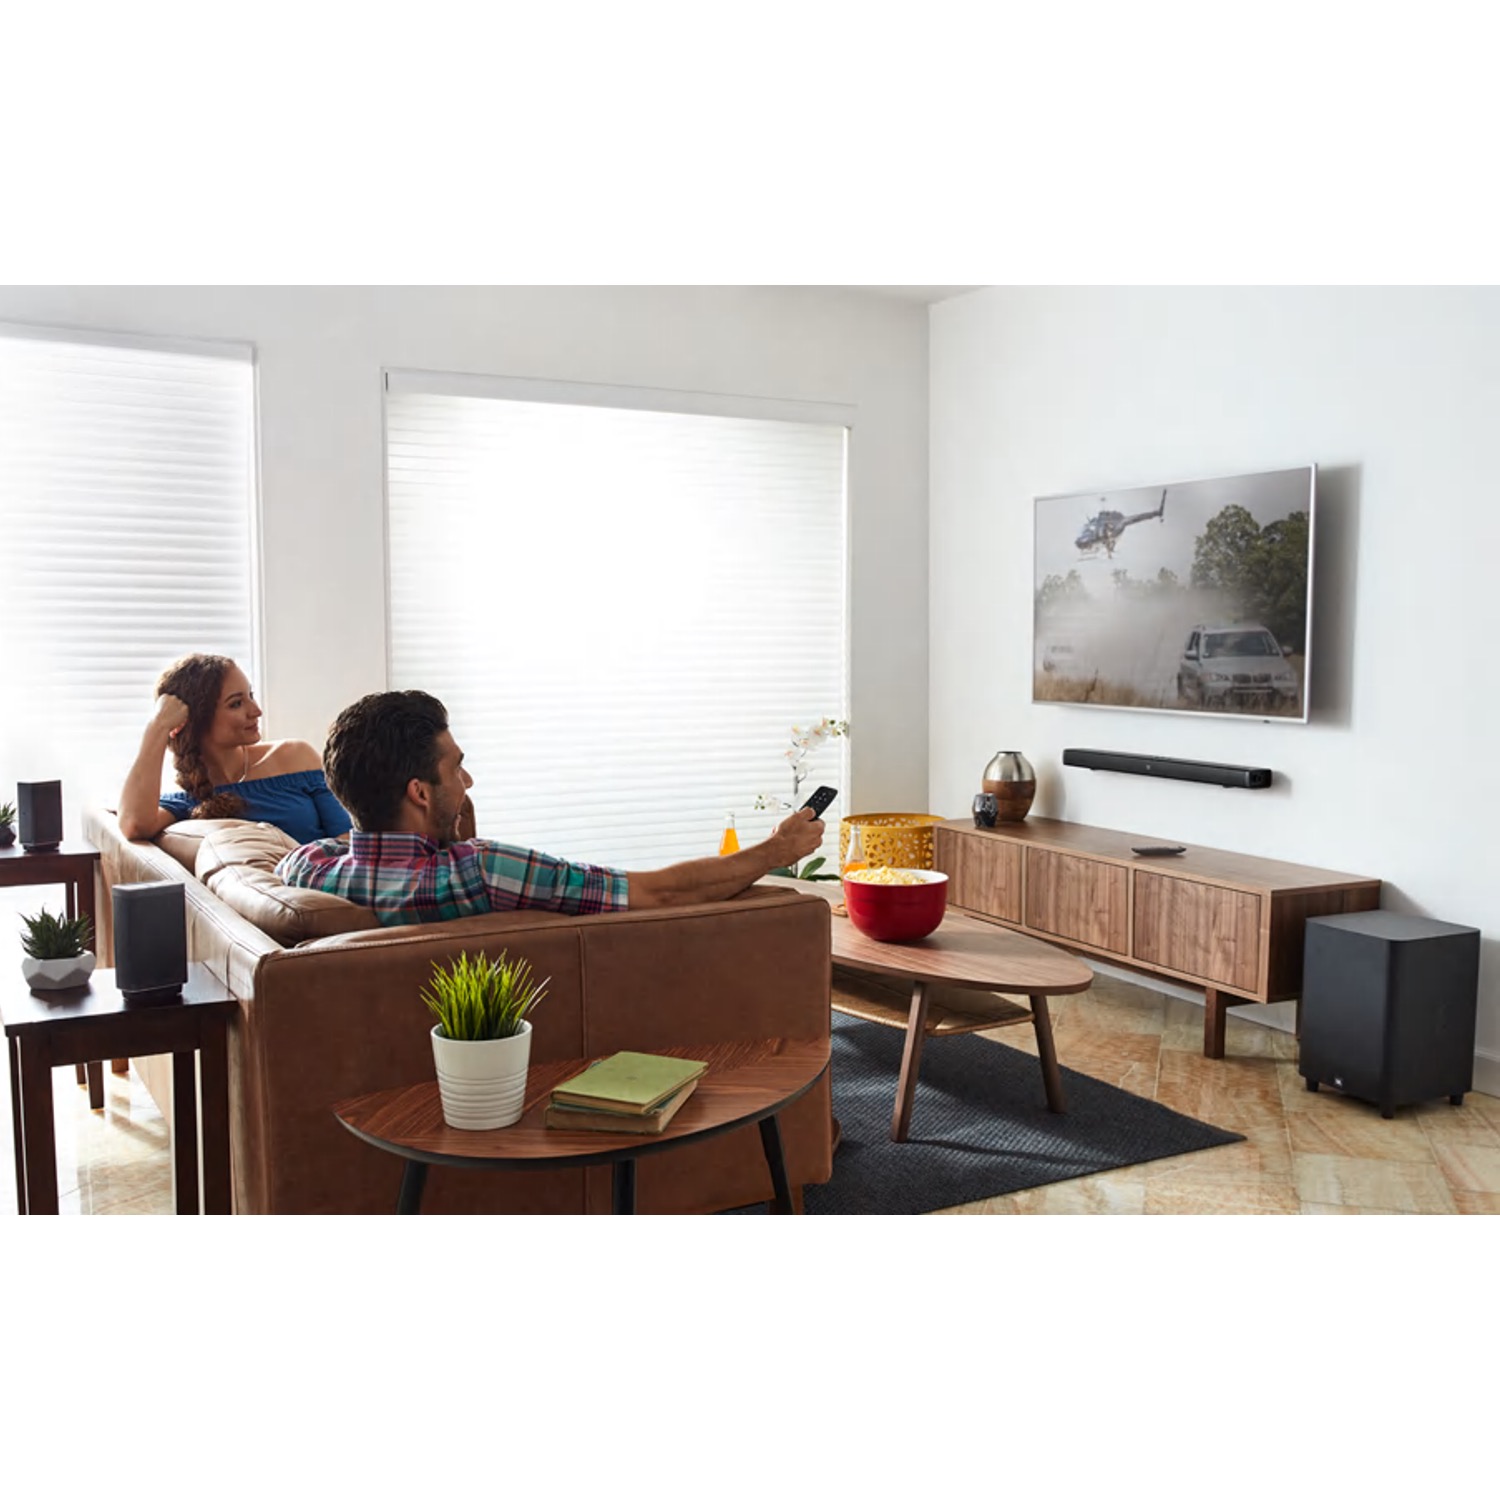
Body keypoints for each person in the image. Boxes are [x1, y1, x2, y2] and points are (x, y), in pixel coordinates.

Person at [274, 689, 825, 925]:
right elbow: (662, 893)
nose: (468, 781)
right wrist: (776, 849)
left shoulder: (304, 867)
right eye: (456, 769)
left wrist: (451, 842)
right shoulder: (485, 871)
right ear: (419, 792)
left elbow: (376, 857)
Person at [117, 653, 352, 844]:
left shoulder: (295, 757)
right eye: (236, 704)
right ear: (197, 718)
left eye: (251, 696)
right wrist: (157, 726)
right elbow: (133, 824)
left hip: (323, 886)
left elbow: (347, 840)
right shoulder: (187, 798)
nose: (256, 711)